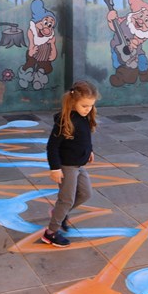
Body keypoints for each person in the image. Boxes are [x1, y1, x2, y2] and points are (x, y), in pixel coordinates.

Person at [42, 81, 100, 247]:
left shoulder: (85, 116)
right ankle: (50, 233)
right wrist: (55, 168)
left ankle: (59, 213)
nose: (88, 109)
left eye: (91, 105)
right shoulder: (64, 121)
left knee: (85, 194)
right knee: (66, 199)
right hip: (66, 166)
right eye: (84, 105)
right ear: (73, 101)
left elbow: (85, 137)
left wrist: (89, 151)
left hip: (78, 165)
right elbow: (52, 146)